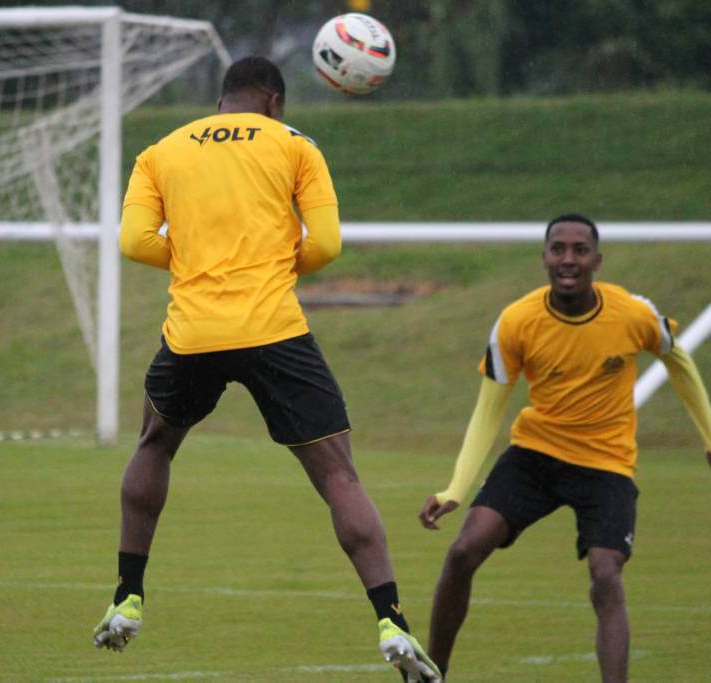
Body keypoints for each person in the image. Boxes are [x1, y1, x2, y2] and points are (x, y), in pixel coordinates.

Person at [90, 56, 440, 681]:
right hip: (274, 329)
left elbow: (135, 242)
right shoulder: (294, 145)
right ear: (274, 102)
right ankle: (391, 620)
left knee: (155, 443)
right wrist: (270, 265)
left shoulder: (162, 151)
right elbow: (326, 244)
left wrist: (199, 261)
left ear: (222, 100)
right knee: (338, 477)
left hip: (193, 332)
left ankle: (127, 596)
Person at [418, 214, 711, 682]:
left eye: (579, 250)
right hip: (536, 455)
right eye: (558, 249)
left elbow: (677, 359)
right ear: (544, 259)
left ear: (597, 260)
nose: (568, 259)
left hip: (606, 464)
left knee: (605, 574)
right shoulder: (517, 321)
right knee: (462, 552)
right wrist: (456, 488)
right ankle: (431, 674)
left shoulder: (632, 314)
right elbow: (489, 410)